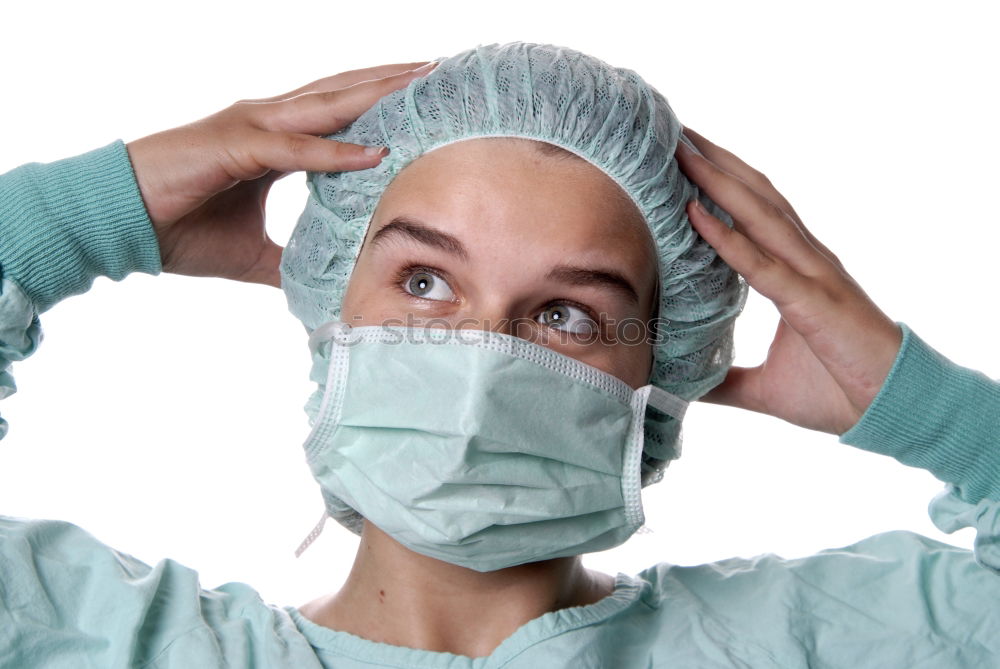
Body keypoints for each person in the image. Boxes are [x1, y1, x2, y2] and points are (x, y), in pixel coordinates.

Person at [1, 42, 998, 668]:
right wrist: (71, 219)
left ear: (661, 373)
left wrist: (931, 409)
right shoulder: (101, 641)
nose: (477, 361)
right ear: (328, 303)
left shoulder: (811, 644)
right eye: (425, 282)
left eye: (565, 313)